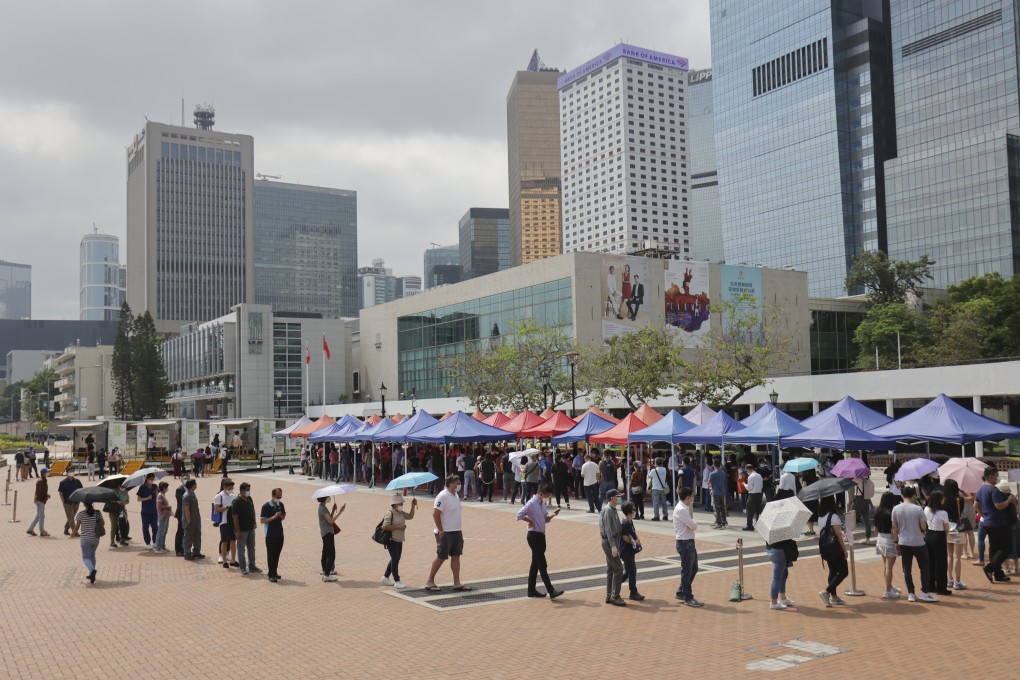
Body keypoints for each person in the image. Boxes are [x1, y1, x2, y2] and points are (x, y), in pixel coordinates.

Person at [516, 483, 564, 599]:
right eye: (546, 495)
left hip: (541, 536)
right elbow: (519, 515)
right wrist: (530, 521)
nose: (547, 497)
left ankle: (531, 591)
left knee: (535, 564)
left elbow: (544, 519)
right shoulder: (532, 503)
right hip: (534, 536)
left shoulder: (542, 503)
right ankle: (551, 590)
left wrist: (553, 515)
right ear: (541, 493)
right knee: (542, 564)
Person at [426, 475, 471, 592]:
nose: (459, 485)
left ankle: (457, 583)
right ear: (451, 484)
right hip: (445, 532)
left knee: (456, 556)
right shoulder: (442, 496)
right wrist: (441, 530)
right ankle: (430, 581)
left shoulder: (455, 495)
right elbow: (435, 514)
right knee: (441, 556)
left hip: (456, 531)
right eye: (458, 483)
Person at [892, 486, 937, 602]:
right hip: (918, 542)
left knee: (906, 568)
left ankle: (911, 593)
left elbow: (894, 527)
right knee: (924, 566)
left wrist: (896, 541)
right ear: (913, 496)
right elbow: (923, 526)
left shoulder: (896, 509)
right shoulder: (918, 509)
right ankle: (925, 592)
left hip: (903, 541)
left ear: (902, 495)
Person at [976, 467, 1016, 583]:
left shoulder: (981, 489)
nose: (997, 478)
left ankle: (998, 574)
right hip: (999, 523)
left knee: (994, 548)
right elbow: (999, 506)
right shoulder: (993, 490)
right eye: (996, 476)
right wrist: (1009, 500)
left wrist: (984, 515)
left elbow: (975, 505)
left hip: (988, 522)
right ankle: (990, 567)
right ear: (990, 476)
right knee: (1006, 547)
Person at [816, 496, 849, 607]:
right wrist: (844, 549)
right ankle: (826, 592)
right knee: (844, 572)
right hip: (836, 548)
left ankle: (834, 597)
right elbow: (838, 535)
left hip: (826, 548)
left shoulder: (820, 517)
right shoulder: (833, 517)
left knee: (833, 571)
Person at [673, 486, 702, 606]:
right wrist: (693, 525)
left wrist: (692, 525)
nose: (692, 500)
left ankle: (681, 591)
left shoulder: (683, 508)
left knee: (693, 568)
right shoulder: (682, 509)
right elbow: (693, 525)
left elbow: (691, 526)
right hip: (685, 543)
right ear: (688, 498)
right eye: (691, 498)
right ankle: (688, 597)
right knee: (687, 570)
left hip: (688, 542)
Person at [381, 494, 417, 589]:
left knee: (396, 558)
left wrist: (413, 506)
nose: (402, 505)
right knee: (395, 559)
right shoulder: (390, 513)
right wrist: (399, 527)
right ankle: (397, 581)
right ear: (395, 504)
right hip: (391, 539)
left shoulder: (401, 513)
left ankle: (385, 577)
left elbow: (410, 516)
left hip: (399, 539)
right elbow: (385, 526)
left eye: (402, 503)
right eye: (400, 503)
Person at [873, 492, 902, 599]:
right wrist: (896, 542)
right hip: (889, 540)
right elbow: (893, 529)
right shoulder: (891, 513)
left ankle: (889, 586)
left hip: (880, 539)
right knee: (889, 567)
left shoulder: (878, 511)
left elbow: (875, 529)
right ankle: (888, 590)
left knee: (886, 566)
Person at [599, 489, 626, 606]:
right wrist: (613, 546)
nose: (619, 498)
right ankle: (615, 596)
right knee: (619, 568)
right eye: (617, 497)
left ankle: (609, 594)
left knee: (611, 569)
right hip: (609, 541)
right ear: (611, 498)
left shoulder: (613, 509)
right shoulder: (608, 510)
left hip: (612, 541)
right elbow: (609, 530)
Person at [924, 490, 951, 596]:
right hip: (938, 536)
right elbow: (946, 528)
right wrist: (945, 535)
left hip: (928, 535)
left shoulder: (926, 509)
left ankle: (930, 585)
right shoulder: (943, 513)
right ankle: (941, 588)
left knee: (930, 562)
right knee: (941, 563)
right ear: (939, 500)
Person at [231, 482, 260, 575]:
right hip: (242, 530)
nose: (248, 492)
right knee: (241, 548)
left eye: (249, 490)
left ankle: (252, 565)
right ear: (241, 491)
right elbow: (235, 517)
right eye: (247, 490)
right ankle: (243, 567)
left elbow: (253, 510)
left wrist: (254, 521)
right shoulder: (236, 502)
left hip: (250, 528)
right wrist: (238, 531)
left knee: (251, 547)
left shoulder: (249, 498)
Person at [619, 500, 644, 601]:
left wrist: (637, 539)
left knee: (627, 572)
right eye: (633, 509)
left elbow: (633, 532)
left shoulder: (630, 521)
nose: (634, 510)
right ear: (630, 511)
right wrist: (635, 542)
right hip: (626, 551)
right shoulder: (625, 523)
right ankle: (633, 592)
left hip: (630, 550)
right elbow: (625, 538)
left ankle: (614, 586)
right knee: (632, 571)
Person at [260, 488, 286, 582]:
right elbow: (262, 520)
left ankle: (274, 571)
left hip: (279, 533)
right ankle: (271, 574)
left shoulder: (280, 504)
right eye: (277, 497)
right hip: (270, 534)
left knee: (277, 554)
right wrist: (274, 517)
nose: (279, 499)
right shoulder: (266, 506)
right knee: (271, 554)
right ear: (273, 495)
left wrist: (280, 515)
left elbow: (283, 517)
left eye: (280, 497)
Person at [74, 502, 102, 584]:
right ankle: (91, 574)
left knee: (85, 557)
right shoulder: (98, 513)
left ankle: (92, 570)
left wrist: (73, 533)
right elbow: (102, 523)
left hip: (85, 539)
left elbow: (77, 527)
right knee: (92, 555)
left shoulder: (81, 514)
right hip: (96, 538)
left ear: (84, 504)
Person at [317, 494, 344, 582]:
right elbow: (331, 521)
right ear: (324, 498)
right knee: (331, 554)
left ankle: (325, 570)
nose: (329, 498)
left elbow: (328, 518)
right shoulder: (322, 508)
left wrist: (332, 510)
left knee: (325, 552)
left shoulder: (323, 507)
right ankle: (327, 574)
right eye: (328, 497)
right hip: (327, 532)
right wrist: (340, 512)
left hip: (326, 532)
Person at [213, 478, 238, 567]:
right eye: (229, 488)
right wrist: (227, 508)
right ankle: (224, 561)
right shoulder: (219, 496)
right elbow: (216, 509)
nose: (231, 489)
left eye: (232, 488)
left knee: (233, 540)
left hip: (233, 521)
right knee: (224, 541)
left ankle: (233, 560)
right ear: (224, 487)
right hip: (224, 522)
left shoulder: (233, 496)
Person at [182, 479, 204, 560]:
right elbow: (186, 510)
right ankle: (187, 553)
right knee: (188, 536)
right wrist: (189, 520)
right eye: (195, 484)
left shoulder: (192, 493)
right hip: (190, 520)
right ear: (193, 485)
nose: (196, 485)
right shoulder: (187, 496)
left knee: (197, 534)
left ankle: (196, 552)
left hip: (196, 518)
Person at [136, 473, 159, 551]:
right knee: (145, 527)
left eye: (153, 479)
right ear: (147, 479)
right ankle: (148, 543)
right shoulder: (142, 487)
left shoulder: (155, 486)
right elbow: (138, 499)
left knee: (155, 527)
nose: (152, 480)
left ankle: (155, 541)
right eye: (150, 479)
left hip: (154, 511)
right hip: (145, 511)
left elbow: (158, 497)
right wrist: (146, 498)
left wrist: (157, 493)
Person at [852, 471, 876, 545]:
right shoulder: (867, 480)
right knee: (866, 520)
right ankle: (867, 538)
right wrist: (871, 505)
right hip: (866, 500)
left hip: (859, 499)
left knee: (851, 518)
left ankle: (847, 536)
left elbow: (848, 481)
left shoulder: (857, 479)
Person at [26, 467, 51, 537]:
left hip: (39, 499)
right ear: (43, 473)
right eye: (47, 472)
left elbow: (42, 491)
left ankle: (30, 529)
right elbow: (41, 492)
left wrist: (46, 494)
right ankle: (42, 531)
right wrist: (46, 495)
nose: (48, 473)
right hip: (40, 500)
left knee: (38, 515)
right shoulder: (41, 481)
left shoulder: (43, 480)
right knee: (41, 516)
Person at [58, 469, 83, 537]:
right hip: (67, 502)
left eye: (72, 472)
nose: (71, 473)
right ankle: (75, 532)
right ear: (67, 473)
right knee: (71, 517)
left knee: (72, 516)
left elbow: (81, 490)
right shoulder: (63, 482)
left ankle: (66, 528)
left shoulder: (77, 481)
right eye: (70, 472)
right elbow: (60, 492)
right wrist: (63, 501)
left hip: (76, 502)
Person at [173, 474, 190, 556]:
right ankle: (178, 549)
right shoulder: (179, 489)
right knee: (180, 531)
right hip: (181, 513)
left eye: (188, 479)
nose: (187, 480)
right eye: (185, 478)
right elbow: (182, 501)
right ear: (181, 480)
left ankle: (184, 548)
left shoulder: (189, 489)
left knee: (186, 531)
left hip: (187, 512)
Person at [744, 463, 763, 531]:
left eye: (746, 470)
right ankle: (758, 525)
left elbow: (749, 488)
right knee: (758, 510)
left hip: (752, 495)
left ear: (748, 469)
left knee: (749, 511)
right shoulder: (759, 475)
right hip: (759, 494)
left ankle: (749, 525)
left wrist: (744, 484)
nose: (747, 472)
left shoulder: (750, 477)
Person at [709, 459, 728, 528]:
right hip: (722, 492)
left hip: (715, 492)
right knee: (722, 508)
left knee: (717, 508)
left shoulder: (712, 474)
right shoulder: (723, 473)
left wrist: (710, 488)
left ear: (714, 465)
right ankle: (724, 522)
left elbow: (708, 482)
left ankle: (719, 523)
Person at [154, 481, 172, 554]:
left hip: (166, 516)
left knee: (164, 532)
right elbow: (159, 506)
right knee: (161, 532)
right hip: (162, 516)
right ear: (164, 488)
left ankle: (162, 546)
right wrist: (167, 507)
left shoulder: (163, 495)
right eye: (166, 487)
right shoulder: (160, 495)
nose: (167, 489)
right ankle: (158, 548)